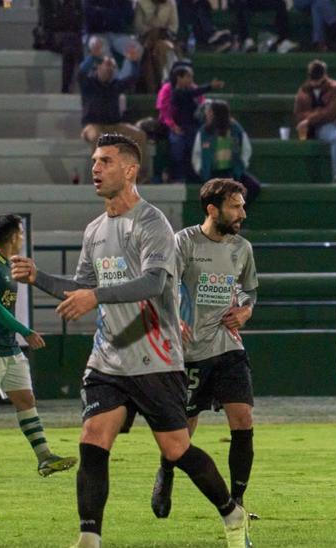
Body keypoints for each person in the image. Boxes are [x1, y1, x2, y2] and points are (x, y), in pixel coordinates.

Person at [10, 134, 251, 548]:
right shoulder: (94, 230)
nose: (95, 169)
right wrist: (40, 278)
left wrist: (95, 296)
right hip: (108, 359)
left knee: (177, 449)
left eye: (105, 161)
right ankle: (89, 538)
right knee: (92, 439)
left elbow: (154, 282)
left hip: (156, 360)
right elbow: (82, 285)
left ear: (130, 170)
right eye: (94, 161)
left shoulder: (152, 223)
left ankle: (232, 513)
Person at [150, 178, 259, 520]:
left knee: (242, 418)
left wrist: (246, 309)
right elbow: (164, 287)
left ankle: (238, 502)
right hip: (190, 350)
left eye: (242, 205)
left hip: (227, 346)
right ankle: (166, 472)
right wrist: (172, 320)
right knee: (183, 431)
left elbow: (248, 291)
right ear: (213, 209)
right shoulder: (183, 242)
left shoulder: (242, 248)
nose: (242, 212)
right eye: (235, 206)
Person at [0, 214, 78, 479]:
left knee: (25, 399)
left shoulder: (9, 264)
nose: (22, 238)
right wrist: (26, 331)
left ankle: (44, 458)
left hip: (8, 348)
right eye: (21, 233)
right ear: (12, 236)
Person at [192, 100, 263, 203]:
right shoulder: (204, 132)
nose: (207, 114)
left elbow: (246, 148)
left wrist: (241, 165)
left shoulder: (235, 129)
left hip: (232, 171)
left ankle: (238, 211)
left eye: (210, 112)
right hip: (212, 173)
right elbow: (196, 154)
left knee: (254, 187)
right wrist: (201, 170)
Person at [78, 52, 148, 156]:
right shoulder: (88, 83)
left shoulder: (115, 85)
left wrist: (134, 63)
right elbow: (81, 72)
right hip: (93, 125)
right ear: (98, 67)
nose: (110, 68)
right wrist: (92, 56)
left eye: (112, 66)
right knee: (99, 139)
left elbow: (134, 77)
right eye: (107, 64)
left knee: (140, 135)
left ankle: (139, 172)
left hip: (114, 125)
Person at [169, 65, 224, 184]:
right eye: (188, 77)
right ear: (179, 78)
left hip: (193, 128)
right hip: (187, 130)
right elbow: (194, 92)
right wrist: (210, 86)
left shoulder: (186, 93)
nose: (191, 80)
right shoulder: (177, 93)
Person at [36, 0, 84, 93]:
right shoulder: (47, 2)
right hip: (52, 36)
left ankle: (75, 87)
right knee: (71, 45)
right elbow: (49, 23)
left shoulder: (76, 3)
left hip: (71, 37)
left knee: (73, 46)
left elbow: (79, 22)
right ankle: (67, 88)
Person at [134, 0, 179, 93]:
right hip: (146, 38)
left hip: (164, 37)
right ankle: (152, 86)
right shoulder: (141, 3)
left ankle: (168, 82)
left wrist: (160, 33)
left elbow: (174, 26)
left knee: (163, 48)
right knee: (148, 50)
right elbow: (138, 26)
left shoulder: (170, 3)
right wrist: (152, 33)